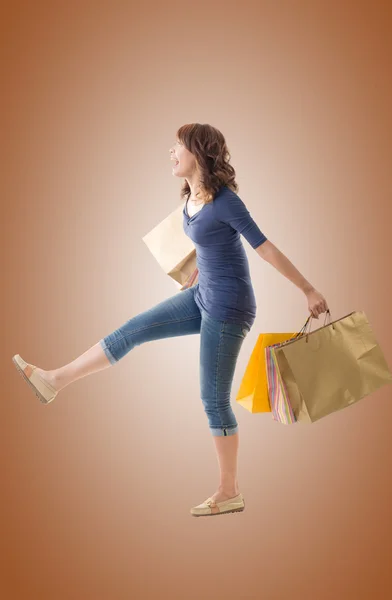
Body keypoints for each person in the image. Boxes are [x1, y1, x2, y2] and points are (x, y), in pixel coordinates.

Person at [12, 123, 329, 517]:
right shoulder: (192, 196)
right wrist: (197, 270)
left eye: (177, 145)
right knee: (131, 331)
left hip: (229, 307)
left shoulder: (227, 201)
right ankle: (54, 380)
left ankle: (229, 491)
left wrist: (309, 289)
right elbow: (209, 241)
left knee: (212, 400)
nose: (171, 151)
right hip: (201, 294)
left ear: (198, 151)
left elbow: (264, 249)